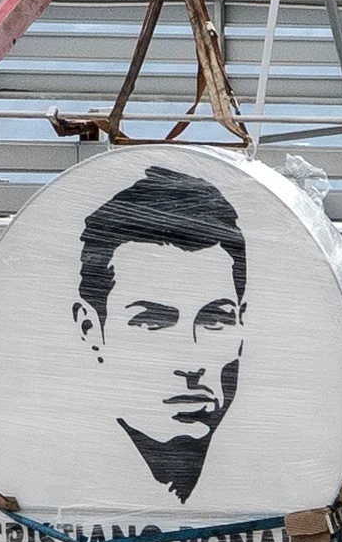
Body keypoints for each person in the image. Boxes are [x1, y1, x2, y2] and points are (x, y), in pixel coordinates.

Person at [69, 165, 248, 504]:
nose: (190, 361)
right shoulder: (57, 480)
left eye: (214, 320)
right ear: (91, 329)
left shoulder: (283, 472)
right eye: (152, 322)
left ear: (244, 324)